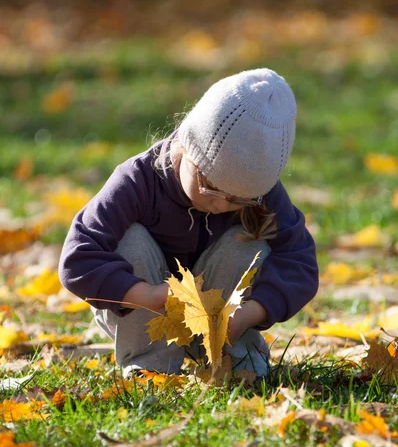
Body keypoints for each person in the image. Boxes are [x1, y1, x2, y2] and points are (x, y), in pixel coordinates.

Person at [58, 68, 319, 379]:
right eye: (209, 186)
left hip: (224, 322)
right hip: (145, 314)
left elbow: (300, 262)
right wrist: (144, 295)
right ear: (186, 146)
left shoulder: (263, 196)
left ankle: (236, 360)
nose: (222, 204)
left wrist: (249, 313)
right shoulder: (137, 180)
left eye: (238, 200)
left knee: (247, 241)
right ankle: (150, 366)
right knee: (131, 239)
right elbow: (78, 256)